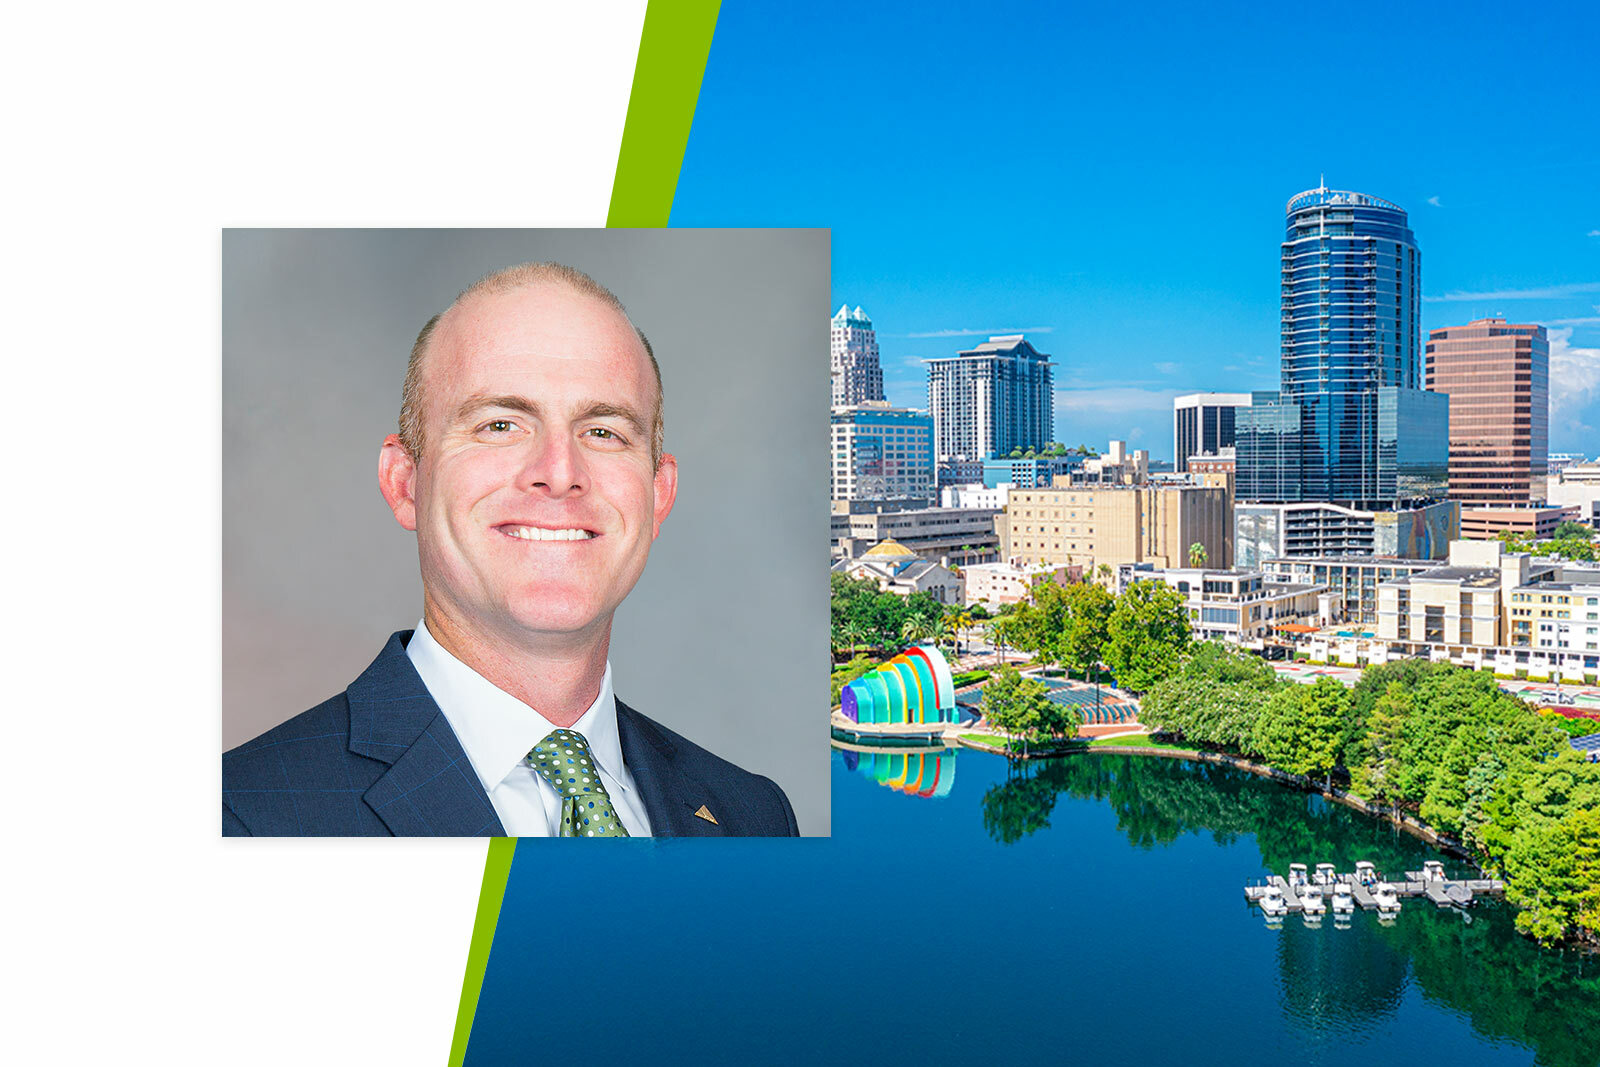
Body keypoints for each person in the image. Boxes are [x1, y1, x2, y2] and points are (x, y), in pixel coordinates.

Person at [223, 263, 798, 836]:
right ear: (404, 483)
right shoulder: (242, 816)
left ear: (657, 495)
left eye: (603, 432)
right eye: (500, 425)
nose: (559, 472)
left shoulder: (754, 815)